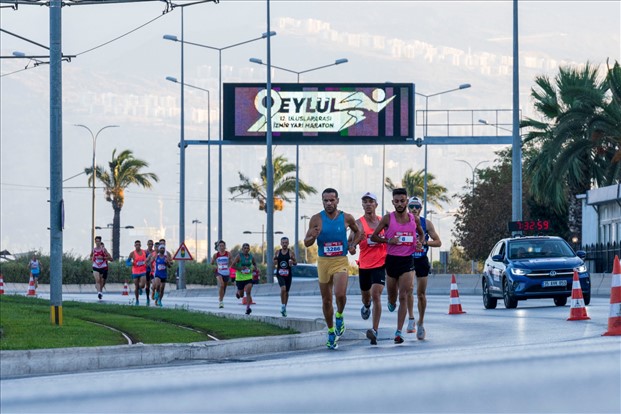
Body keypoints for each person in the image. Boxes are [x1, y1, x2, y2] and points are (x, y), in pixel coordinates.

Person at [304, 188, 360, 350]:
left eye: (331, 200)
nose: (329, 203)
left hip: (340, 261)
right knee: (326, 300)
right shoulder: (316, 219)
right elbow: (306, 242)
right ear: (322, 201)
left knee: (340, 294)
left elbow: (359, 233)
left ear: (337, 200)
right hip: (323, 262)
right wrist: (313, 236)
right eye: (325, 200)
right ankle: (330, 331)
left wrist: (352, 245)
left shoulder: (346, 218)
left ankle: (340, 315)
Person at [371, 188, 424, 344]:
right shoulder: (388, 218)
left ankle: (398, 332)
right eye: (397, 201)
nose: (400, 204)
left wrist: (419, 243)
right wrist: (388, 241)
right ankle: (391, 301)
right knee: (393, 297)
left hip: (408, 261)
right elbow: (374, 236)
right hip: (392, 261)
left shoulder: (414, 219)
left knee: (404, 295)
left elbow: (420, 233)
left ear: (406, 202)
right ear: (393, 202)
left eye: (402, 201)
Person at [349, 192, 387, 346]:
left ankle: (374, 330)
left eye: (371, 201)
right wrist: (351, 247)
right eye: (365, 201)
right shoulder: (358, 224)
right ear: (362, 205)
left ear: (376, 205)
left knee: (376, 294)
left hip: (381, 263)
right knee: (367, 297)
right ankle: (366, 306)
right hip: (364, 265)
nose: (368, 204)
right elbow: (350, 242)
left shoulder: (383, 221)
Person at [406, 196, 441, 340]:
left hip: (421, 260)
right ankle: (411, 318)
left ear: (420, 209)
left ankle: (421, 322)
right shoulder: (403, 222)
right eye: (411, 207)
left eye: (417, 207)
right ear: (408, 208)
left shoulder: (426, 223)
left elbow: (438, 242)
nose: (414, 209)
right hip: (408, 259)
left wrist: (425, 243)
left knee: (421, 294)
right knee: (408, 290)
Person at [231, 243, 258, 315]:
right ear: (242, 249)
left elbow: (255, 263)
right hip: (240, 278)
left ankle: (248, 308)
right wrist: (240, 268)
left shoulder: (251, 257)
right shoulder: (239, 256)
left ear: (249, 249)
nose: (246, 249)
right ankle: (238, 292)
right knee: (241, 295)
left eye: (247, 248)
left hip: (248, 277)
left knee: (248, 292)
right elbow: (232, 266)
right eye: (244, 248)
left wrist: (255, 268)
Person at [274, 236, 297, 317]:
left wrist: (292, 262)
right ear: (280, 243)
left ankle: (284, 308)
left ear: (288, 243)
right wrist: (275, 261)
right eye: (283, 243)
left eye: (286, 243)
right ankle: (283, 305)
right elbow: (274, 262)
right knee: (283, 289)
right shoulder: (277, 252)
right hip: (280, 274)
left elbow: (295, 263)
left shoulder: (291, 253)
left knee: (286, 292)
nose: (284, 244)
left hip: (288, 274)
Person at [211, 240, 231, 309]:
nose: (222, 247)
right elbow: (212, 263)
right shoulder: (216, 255)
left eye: (223, 246)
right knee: (222, 285)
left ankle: (221, 298)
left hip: (226, 272)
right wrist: (213, 266)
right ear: (218, 247)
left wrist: (231, 269)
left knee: (224, 288)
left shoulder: (228, 254)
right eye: (220, 246)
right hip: (218, 272)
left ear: (225, 247)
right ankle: (221, 302)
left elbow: (232, 263)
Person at [91, 236, 112, 300]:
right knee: (97, 280)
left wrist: (103, 258)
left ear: (100, 242)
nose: (97, 243)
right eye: (96, 241)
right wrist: (93, 258)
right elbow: (91, 256)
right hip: (95, 266)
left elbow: (110, 258)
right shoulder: (93, 250)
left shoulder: (103, 249)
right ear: (95, 242)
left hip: (103, 266)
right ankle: (99, 293)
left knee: (102, 281)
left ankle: (100, 290)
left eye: (99, 241)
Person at [128, 240, 148, 306]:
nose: (137, 246)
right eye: (136, 245)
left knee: (142, 285)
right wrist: (131, 263)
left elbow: (149, 258)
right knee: (136, 287)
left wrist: (147, 263)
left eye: (138, 245)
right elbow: (127, 262)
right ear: (134, 246)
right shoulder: (132, 253)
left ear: (140, 245)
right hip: (135, 272)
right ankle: (137, 300)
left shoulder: (144, 252)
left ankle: (140, 288)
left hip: (143, 271)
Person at [144, 239, 155, 305]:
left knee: (155, 284)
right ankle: (147, 298)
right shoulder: (145, 252)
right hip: (147, 270)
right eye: (149, 244)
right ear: (147, 245)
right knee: (147, 285)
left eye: (151, 244)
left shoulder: (154, 252)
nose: (150, 245)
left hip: (153, 270)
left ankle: (153, 293)